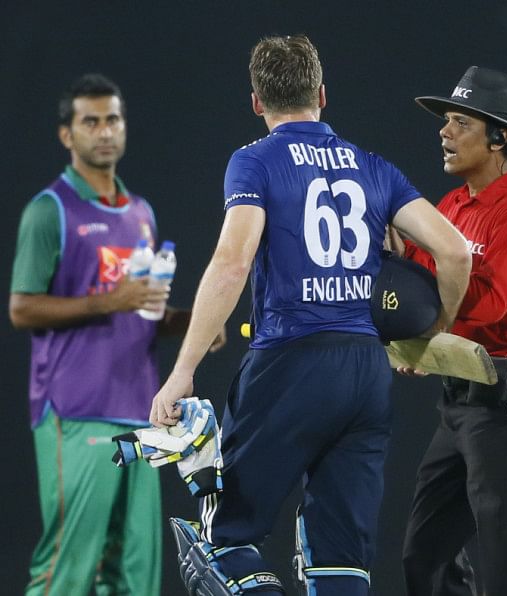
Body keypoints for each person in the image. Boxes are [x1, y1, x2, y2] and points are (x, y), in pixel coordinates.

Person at [150, 35, 470, 596]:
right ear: (322, 94)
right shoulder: (373, 167)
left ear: (257, 102)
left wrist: (183, 370)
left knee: (222, 541)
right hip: (365, 370)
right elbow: (455, 251)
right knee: (340, 557)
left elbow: (232, 261)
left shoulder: (254, 161)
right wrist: (437, 327)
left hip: (290, 361)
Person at [8, 73, 221, 596]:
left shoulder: (140, 213)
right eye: (91, 122)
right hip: (77, 412)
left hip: (142, 414)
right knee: (69, 570)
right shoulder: (50, 210)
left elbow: (142, 314)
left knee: (136, 575)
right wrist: (110, 300)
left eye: (113, 120)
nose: (105, 131)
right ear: (68, 134)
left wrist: (193, 324)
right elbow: (21, 308)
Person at [398, 66, 507, 596]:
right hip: (461, 401)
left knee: (504, 567)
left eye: (460, 122)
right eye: (446, 120)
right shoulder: (453, 204)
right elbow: (415, 278)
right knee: (426, 557)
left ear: (499, 137)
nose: (444, 131)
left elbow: (489, 303)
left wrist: (428, 302)